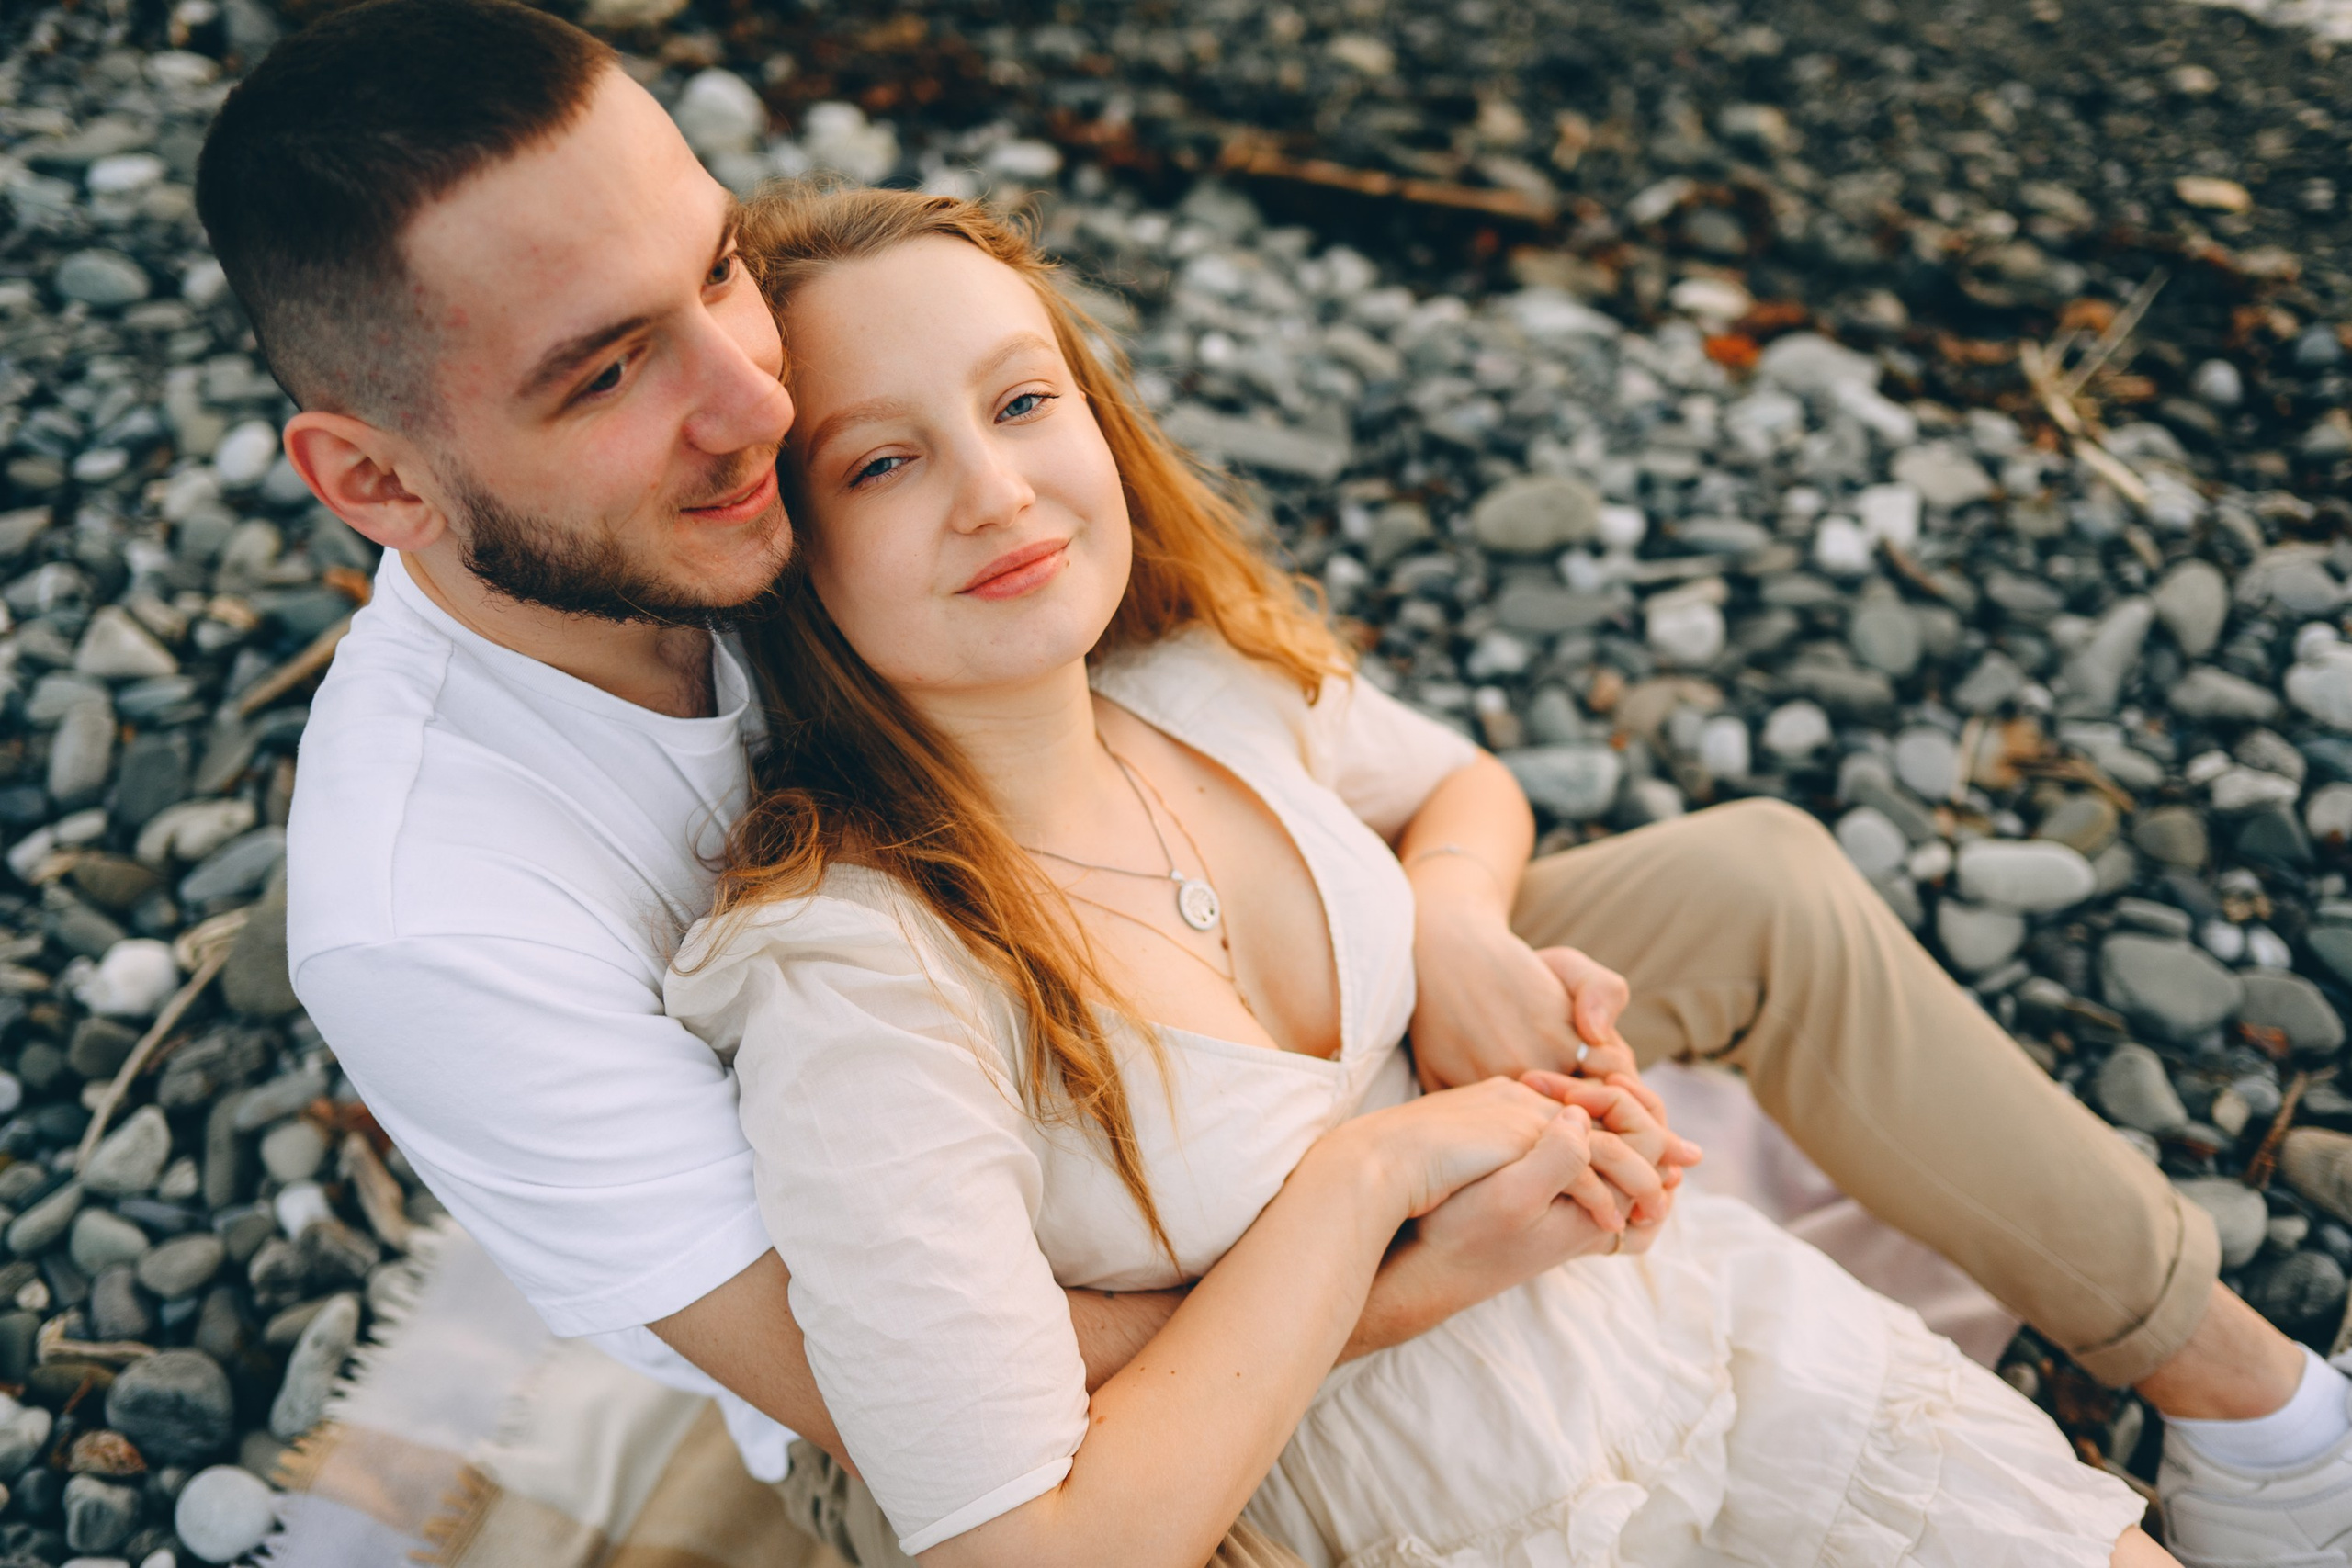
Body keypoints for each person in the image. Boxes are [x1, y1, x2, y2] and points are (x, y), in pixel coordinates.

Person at [180, 1, 2337, 1562]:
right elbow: (931, 1402)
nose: (753, 394)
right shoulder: (439, 909)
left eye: (721, 267)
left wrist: (1458, 935)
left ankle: (2257, 1417)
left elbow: (1348, 748)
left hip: (1183, 989)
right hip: (968, 1299)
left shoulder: (839, 502)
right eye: (606, 369)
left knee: (1751, 885)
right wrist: (1431, 1219)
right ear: (377, 482)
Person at [659, 179, 2165, 1568]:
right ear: (789, 548)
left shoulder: (1192, 688)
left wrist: (1450, 919)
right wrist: (1379, 1178)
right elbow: (1023, 1552)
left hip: (1687, 1328)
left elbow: (1458, 780)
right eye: (884, 462)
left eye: (1022, 400)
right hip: (1408, 1516)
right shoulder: (864, 976)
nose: (997, 491)